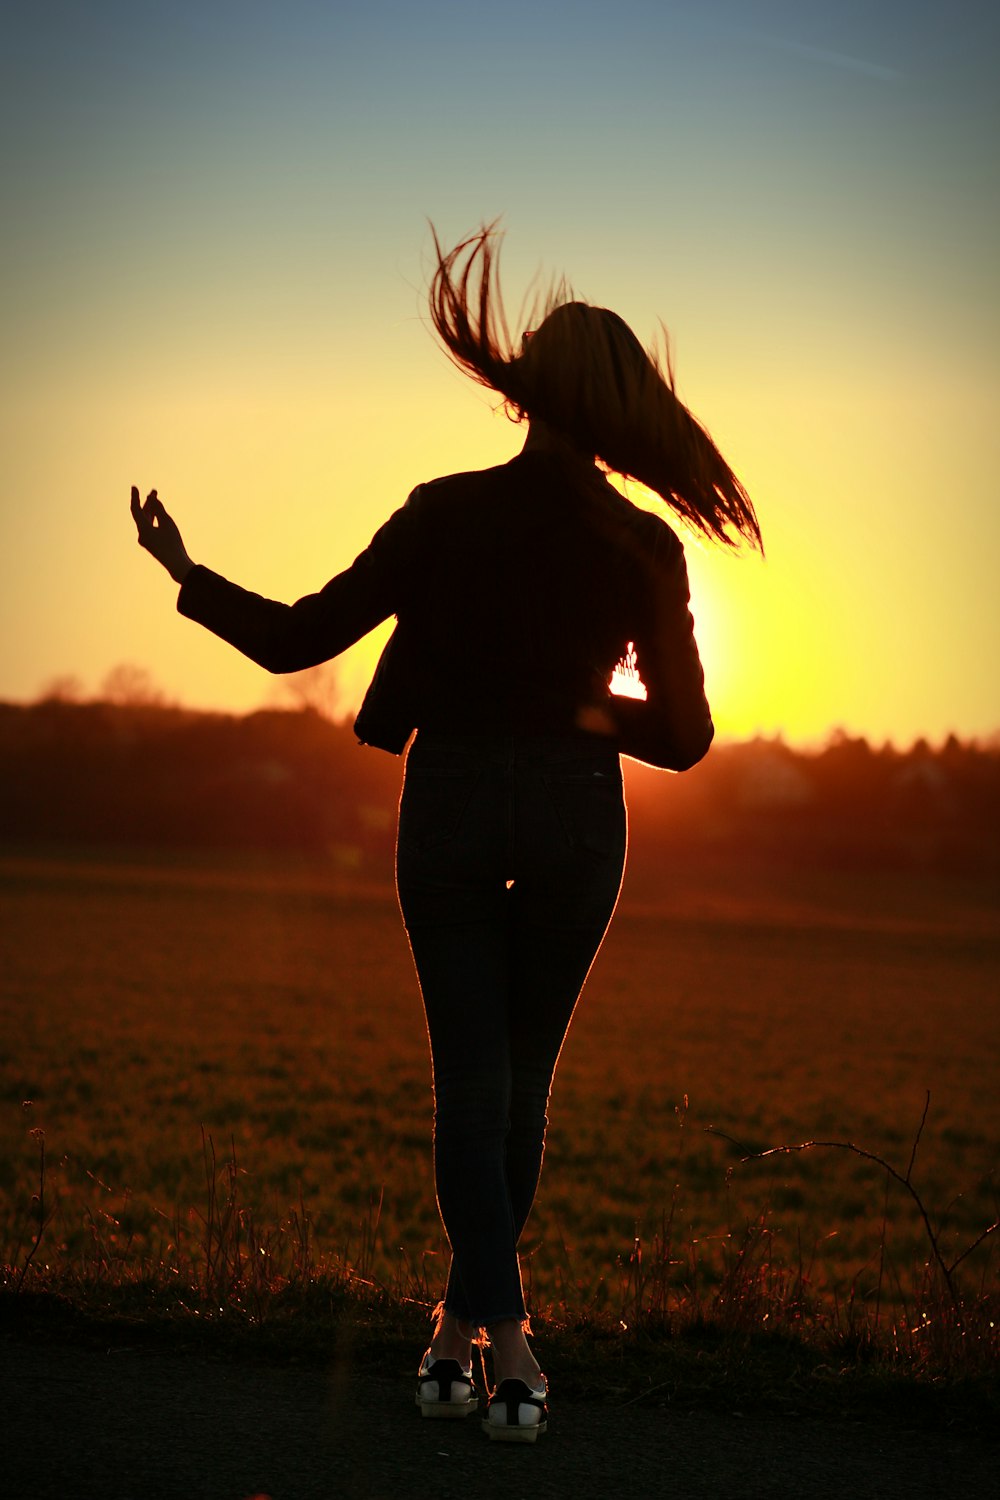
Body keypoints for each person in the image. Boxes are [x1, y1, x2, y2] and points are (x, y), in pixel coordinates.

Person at [130, 223, 762, 1443]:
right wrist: (574, 704)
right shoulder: (645, 543)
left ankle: (482, 1333)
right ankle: (481, 1333)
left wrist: (186, 570)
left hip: (456, 800)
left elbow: (299, 640)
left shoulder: (443, 511)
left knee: (471, 1089)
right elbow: (684, 737)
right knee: (520, 1095)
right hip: (580, 813)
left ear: (521, 388)